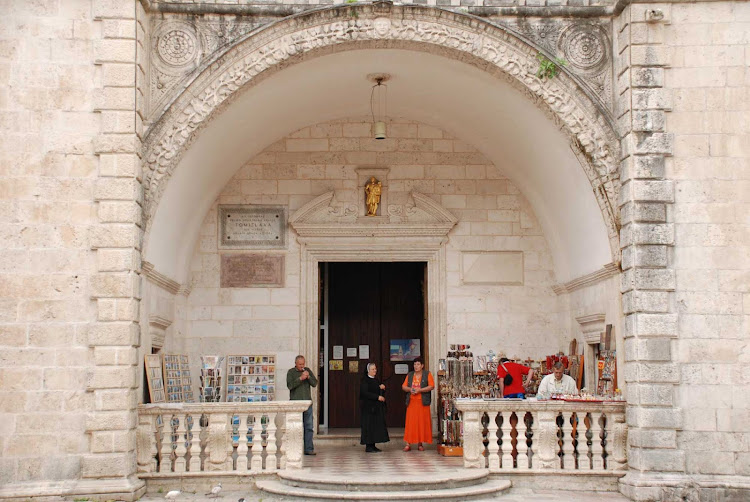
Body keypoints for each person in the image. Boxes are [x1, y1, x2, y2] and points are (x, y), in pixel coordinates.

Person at [287, 355, 318, 455]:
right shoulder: (291, 372)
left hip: (307, 403)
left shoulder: (307, 370)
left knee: (309, 426)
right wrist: (300, 378)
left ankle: (309, 449)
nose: (302, 366)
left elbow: (315, 383)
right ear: (295, 363)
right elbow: (290, 386)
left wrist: (308, 377)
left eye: (303, 364)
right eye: (300, 364)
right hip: (295, 403)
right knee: (295, 426)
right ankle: (294, 448)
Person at [401, 357, 434, 451]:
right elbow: (403, 386)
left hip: (423, 402)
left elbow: (431, 386)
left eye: (418, 364)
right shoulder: (410, 375)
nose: (416, 366)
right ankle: (408, 443)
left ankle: (420, 443)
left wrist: (420, 390)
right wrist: (410, 389)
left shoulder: (427, 374)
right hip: (412, 402)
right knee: (410, 423)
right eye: (415, 364)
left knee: (421, 423)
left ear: (422, 366)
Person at [360, 362, 390, 453]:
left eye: (375, 369)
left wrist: (382, 388)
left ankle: (373, 445)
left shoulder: (376, 380)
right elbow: (364, 393)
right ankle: (368, 446)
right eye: (373, 369)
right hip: (368, 408)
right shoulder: (364, 380)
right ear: (368, 371)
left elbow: (377, 390)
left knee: (375, 427)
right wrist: (377, 397)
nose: (375, 371)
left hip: (376, 408)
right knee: (369, 426)